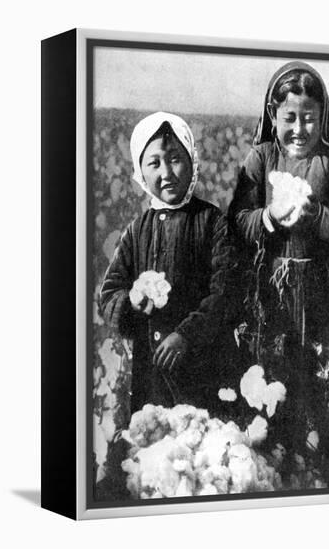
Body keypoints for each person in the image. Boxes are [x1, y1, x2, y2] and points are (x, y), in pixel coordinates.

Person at [228, 61, 329, 481]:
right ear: (272, 115)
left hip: (326, 297)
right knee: (275, 383)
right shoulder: (259, 159)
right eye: (289, 118)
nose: (299, 128)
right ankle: (281, 463)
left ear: (323, 117)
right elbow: (236, 221)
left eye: (309, 118)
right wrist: (266, 217)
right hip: (272, 295)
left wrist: (318, 215)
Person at [100, 112, 238, 417]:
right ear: (140, 172)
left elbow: (225, 291)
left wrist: (186, 335)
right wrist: (131, 300)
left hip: (202, 371)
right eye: (154, 163)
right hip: (151, 376)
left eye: (175, 158)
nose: (167, 172)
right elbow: (109, 293)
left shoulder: (211, 221)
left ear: (192, 161)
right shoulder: (137, 230)